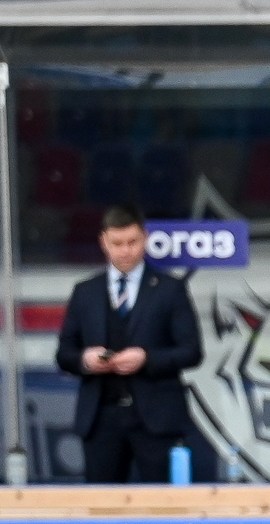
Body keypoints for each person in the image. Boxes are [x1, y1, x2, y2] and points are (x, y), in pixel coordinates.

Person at [55, 204, 203, 485]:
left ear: (145, 239)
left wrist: (146, 358)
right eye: (117, 243)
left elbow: (191, 351)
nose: (125, 251)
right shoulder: (85, 292)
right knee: (102, 504)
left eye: (132, 242)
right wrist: (86, 360)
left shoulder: (170, 289)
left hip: (156, 420)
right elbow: (64, 354)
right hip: (100, 419)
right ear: (103, 242)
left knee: (162, 503)